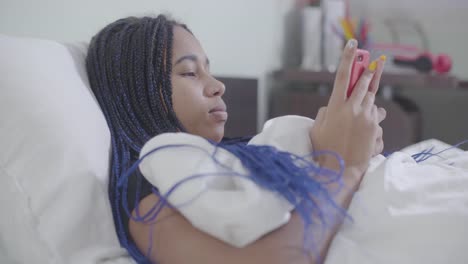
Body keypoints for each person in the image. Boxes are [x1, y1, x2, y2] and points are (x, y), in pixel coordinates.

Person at [85, 15, 388, 264]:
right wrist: (346, 165)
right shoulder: (147, 202)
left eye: (209, 69)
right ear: (140, 95)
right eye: (190, 73)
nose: (217, 86)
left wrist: (352, 139)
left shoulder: (244, 153)